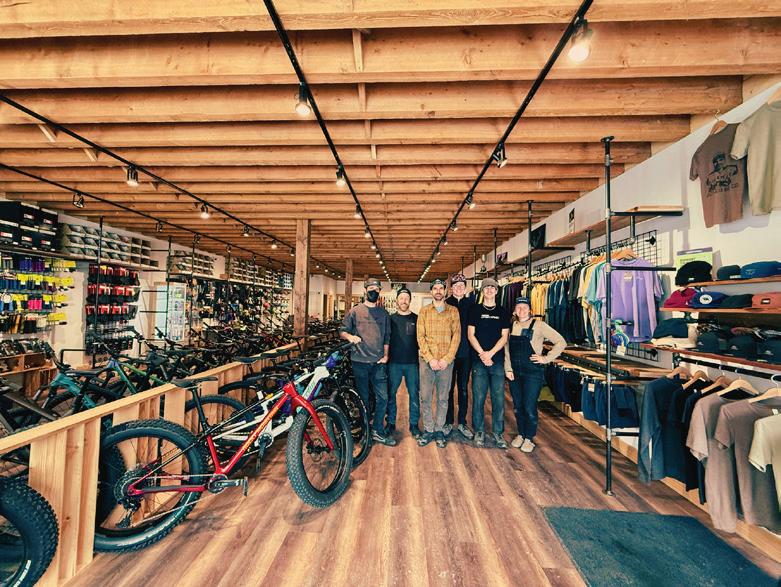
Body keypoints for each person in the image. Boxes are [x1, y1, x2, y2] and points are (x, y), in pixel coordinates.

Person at [504, 296, 566, 453]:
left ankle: (529, 438)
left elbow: (561, 342)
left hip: (532, 373)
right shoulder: (512, 326)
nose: (521, 310)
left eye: (525, 307)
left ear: (530, 310)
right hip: (515, 373)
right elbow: (506, 349)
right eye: (519, 307)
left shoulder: (539, 325)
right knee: (518, 407)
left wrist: (545, 359)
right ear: (514, 310)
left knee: (529, 406)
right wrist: (508, 369)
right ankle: (521, 434)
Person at [340, 278, 396, 446]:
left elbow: (387, 337)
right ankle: (366, 431)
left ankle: (377, 429)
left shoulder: (384, 314)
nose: (373, 291)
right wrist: (350, 336)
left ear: (379, 292)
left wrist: (386, 356)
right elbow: (342, 331)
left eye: (377, 289)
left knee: (383, 398)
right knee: (363, 399)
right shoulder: (355, 311)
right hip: (359, 362)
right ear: (365, 291)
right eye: (371, 288)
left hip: (378, 363)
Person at [416, 278, 461, 449]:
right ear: (431, 292)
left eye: (441, 288)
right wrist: (430, 359)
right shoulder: (424, 311)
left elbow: (456, 337)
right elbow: (420, 337)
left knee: (443, 398)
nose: (438, 291)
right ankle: (428, 429)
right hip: (427, 362)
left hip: (445, 364)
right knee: (425, 397)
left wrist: (446, 359)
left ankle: (439, 429)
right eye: (435, 288)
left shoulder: (453, 311)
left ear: (445, 291)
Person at [467, 277, 511, 449]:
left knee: (498, 398)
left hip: (497, 361)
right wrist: (482, 354)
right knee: (478, 397)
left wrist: (490, 354)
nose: (489, 290)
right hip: (479, 361)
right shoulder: (475, 310)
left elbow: (504, 336)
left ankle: (498, 433)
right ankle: (479, 431)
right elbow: (471, 335)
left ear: (497, 291)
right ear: (482, 291)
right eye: (486, 288)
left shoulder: (503, 311)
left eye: (492, 287)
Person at [387, 287, 421, 438]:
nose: (404, 301)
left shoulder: (417, 319)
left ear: (410, 300)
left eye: (406, 298)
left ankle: (414, 424)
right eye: (401, 298)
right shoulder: (390, 319)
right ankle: (390, 423)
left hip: (412, 364)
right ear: (397, 300)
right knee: (391, 394)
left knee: (414, 395)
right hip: (393, 363)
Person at [445, 273, 475, 440]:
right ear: (451, 288)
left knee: (463, 389)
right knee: (448, 389)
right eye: (456, 286)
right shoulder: (446, 303)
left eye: (461, 286)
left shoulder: (472, 304)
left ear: (465, 288)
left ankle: (462, 422)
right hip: (449, 354)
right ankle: (448, 421)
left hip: (466, 354)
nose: (458, 288)